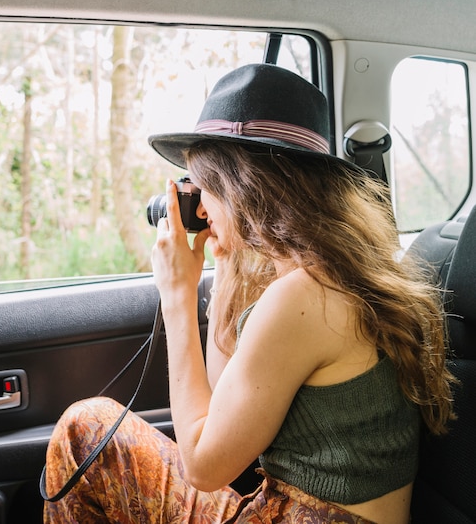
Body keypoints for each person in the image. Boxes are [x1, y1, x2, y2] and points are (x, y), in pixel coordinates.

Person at [42, 64, 455, 524]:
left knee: (86, 429)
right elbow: (223, 406)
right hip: (283, 510)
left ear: (244, 188)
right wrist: (226, 259)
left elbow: (204, 467)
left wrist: (178, 297)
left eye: (206, 187)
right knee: (91, 427)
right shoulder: (331, 275)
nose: (197, 205)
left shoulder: (303, 298)